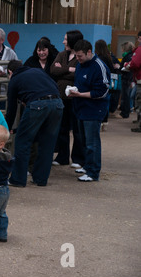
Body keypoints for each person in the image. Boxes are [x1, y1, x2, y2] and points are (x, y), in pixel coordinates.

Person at [5, 60, 63, 187]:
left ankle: (18, 179)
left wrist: (5, 130)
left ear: (10, 72)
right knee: (47, 143)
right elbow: (54, 85)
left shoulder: (14, 79)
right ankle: (40, 179)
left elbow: (11, 110)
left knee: (22, 141)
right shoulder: (37, 70)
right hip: (58, 103)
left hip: (37, 104)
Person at [68, 39, 110, 182]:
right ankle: (87, 165)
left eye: (80, 56)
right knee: (83, 140)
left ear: (89, 52)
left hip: (94, 109)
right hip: (80, 107)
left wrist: (80, 94)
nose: (77, 59)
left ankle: (93, 172)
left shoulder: (99, 66)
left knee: (92, 142)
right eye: (76, 56)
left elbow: (102, 91)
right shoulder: (80, 65)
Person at [50, 30, 85, 169]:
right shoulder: (61, 54)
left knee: (77, 129)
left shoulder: (79, 56)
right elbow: (53, 70)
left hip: (75, 98)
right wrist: (69, 69)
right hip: (61, 98)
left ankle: (78, 158)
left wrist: (63, 70)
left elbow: (79, 73)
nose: (63, 41)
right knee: (62, 128)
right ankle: (62, 156)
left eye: (66, 39)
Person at [95, 39, 122, 129]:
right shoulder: (108, 56)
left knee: (100, 103)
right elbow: (112, 70)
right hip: (108, 83)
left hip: (100, 83)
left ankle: (101, 121)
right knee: (106, 102)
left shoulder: (99, 58)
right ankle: (105, 121)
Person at [124, 31, 141, 132]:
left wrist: (127, 65)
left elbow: (135, 63)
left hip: (140, 80)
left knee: (139, 102)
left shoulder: (139, 50)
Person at [119, 42, 135, 119]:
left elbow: (127, 67)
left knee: (126, 96)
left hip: (126, 77)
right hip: (128, 77)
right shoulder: (130, 55)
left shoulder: (128, 56)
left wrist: (120, 67)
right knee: (126, 95)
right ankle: (125, 111)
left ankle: (125, 112)